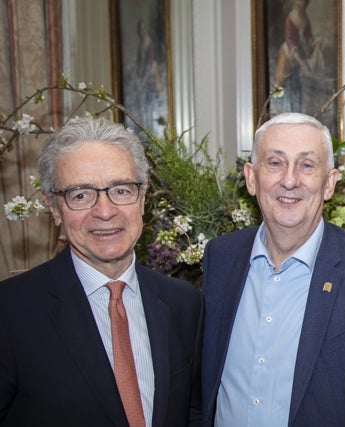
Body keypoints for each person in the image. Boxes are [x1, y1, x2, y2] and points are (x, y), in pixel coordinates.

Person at [200, 112, 345, 426]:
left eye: (307, 165)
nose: (289, 180)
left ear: (329, 183)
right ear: (251, 177)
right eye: (275, 163)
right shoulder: (220, 257)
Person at [0, 117, 204, 426]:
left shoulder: (184, 304)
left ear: (143, 197)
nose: (105, 211)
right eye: (80, 195)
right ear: (54, 208)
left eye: (121, 190)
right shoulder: (10, 312)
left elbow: (193, 412)